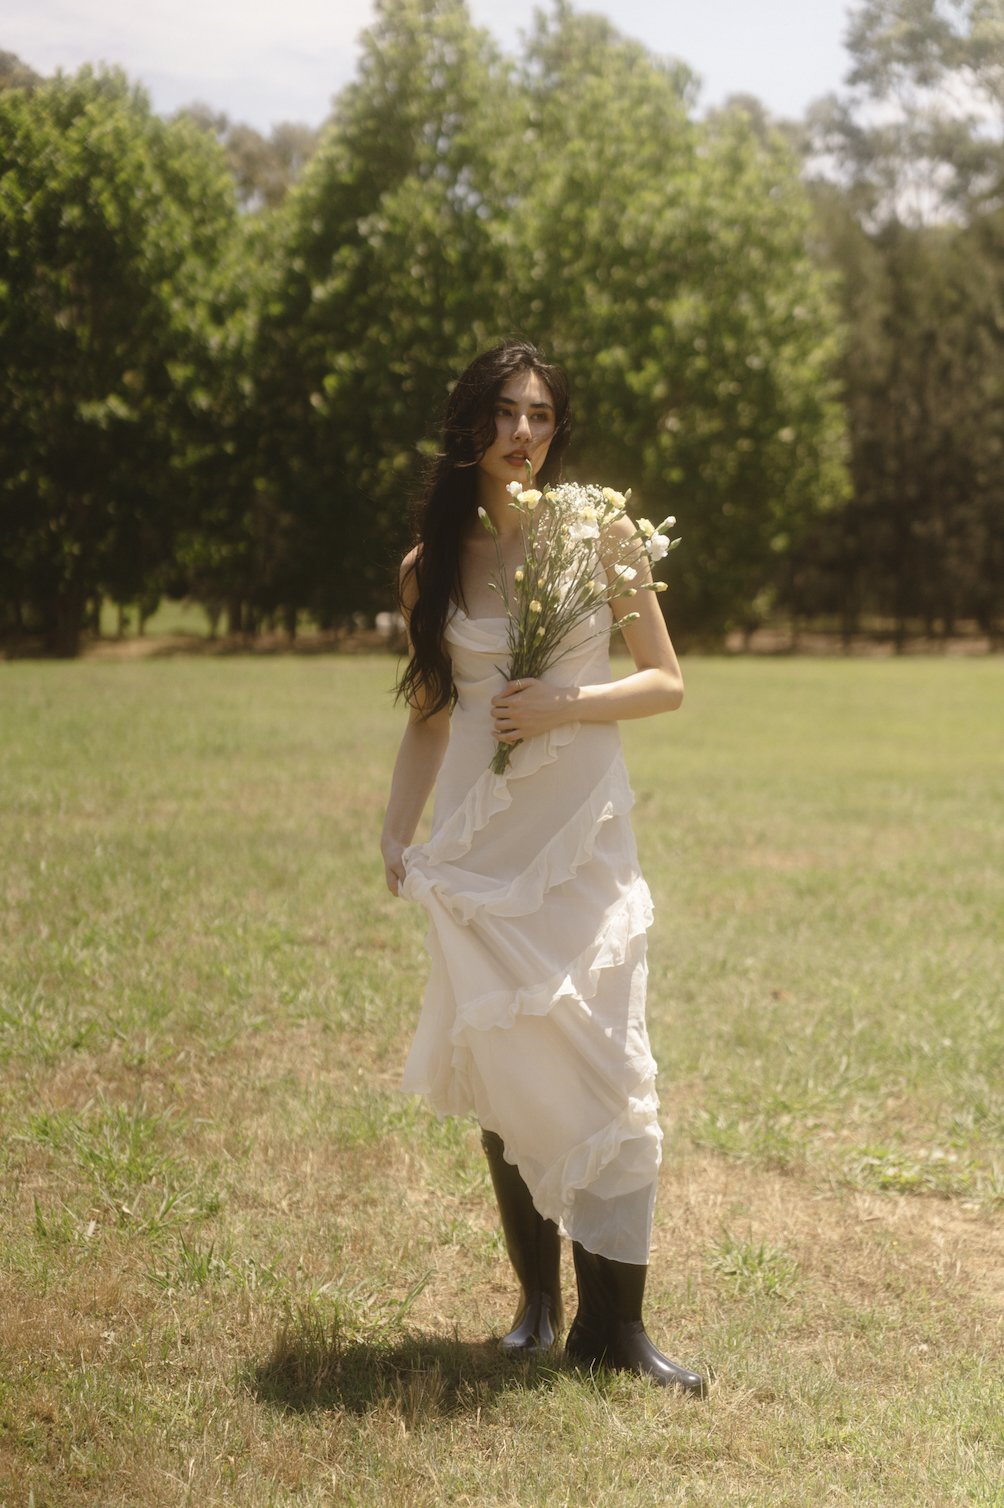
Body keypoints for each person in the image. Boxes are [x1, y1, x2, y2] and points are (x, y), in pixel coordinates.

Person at [380, 339, 706, 1395]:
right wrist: (397, 831)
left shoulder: (598, 532)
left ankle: (618, 1329)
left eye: (540, 416)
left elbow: (663, 682)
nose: (523, 432)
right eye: (504, 413)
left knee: (614, 1063)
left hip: (580, 835)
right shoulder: (428, 566)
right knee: (507, 1062)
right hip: (481, 843)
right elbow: (431, 719)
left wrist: (567, 702)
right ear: (470, 423)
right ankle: (535, 1308)